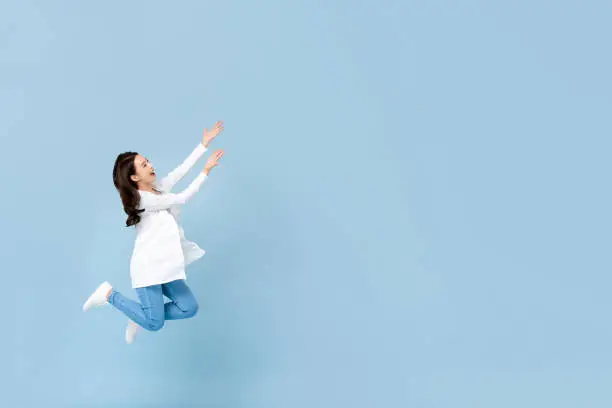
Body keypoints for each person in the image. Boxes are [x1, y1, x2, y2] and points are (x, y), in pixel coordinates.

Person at [82, 121, 225, 344]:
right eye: (144, 164)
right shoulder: (144, 200)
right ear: (134, 177)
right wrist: (205, 171)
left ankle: (138, 315)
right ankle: (109, 295)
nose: (150, 165)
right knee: (154, 323)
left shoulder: (156, 190)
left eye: (147, 160)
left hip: (165, 266)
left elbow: (180, 171)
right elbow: (183, 197)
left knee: (189, 308)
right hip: (148, 269)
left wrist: (203, 145)